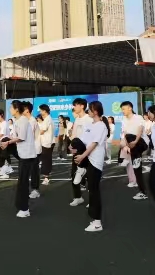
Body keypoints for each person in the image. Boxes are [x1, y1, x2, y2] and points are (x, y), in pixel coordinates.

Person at [72, 101, 109, 232]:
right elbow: (83, 140)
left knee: (94, 191)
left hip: (95, 162)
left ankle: (97, 222)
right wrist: (74, 149)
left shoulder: (101, 126)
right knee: (75, 141)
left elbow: (93, 144)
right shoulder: (89, 124)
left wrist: (82, 156)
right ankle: (80, 168)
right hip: (87, 159)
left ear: (96, 112)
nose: (88, 110)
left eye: (90, 109)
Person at [1, 100, 34, 218]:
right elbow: (15, 137)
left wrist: (8, 141)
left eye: (11, 108)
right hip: (22, 154)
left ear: (16, 109)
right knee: (21, 182)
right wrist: (6, 140)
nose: (9, 110)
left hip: (27, 155)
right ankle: (6, 164)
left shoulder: (24, 120)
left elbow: (21, 137)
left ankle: (25, 209)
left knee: (23, 183)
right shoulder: (17, 121)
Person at [119, 101, 147, 197]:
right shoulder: (123, 120)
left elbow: (140, 131)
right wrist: (126, 146)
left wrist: (135, 142)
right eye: (122, 109)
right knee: (137, 170)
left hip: (141, 142)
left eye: (124, 109)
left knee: (130, 136)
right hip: (132, 147)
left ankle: (130, 158)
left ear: (130, 108)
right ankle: (142, 191)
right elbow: (123, 134)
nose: (122, 111)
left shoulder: (138, 117)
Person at [68, 98, 93, 207]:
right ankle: (78, 197)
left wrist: (85, 151)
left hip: (87, 152)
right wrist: (71, 144)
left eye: (76, 105)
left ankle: (92, 199)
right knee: (73, 174)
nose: (74, 107)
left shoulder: (89, 119)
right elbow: (74, 134)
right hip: (77, 151)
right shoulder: (77, 119)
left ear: (82, 106)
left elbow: (91, 136)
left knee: (90, 177)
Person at [38, 104, 55, 185]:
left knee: (46, 160)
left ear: (45, 111)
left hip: (47, 143)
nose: (40, 112)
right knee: (45, 160)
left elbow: (41, 131)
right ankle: (46, 175)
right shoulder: (47, 119)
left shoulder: (47, 119)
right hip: (46, 142)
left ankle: (46, 178)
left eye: (41, 110)